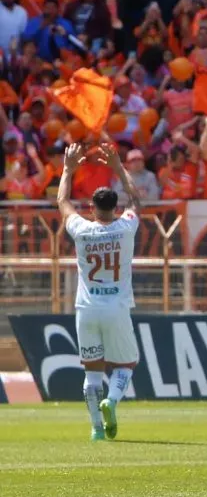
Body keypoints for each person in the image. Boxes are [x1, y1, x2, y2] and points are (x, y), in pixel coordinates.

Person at [56, 143, 141, 441]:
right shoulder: (126, 227)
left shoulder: (81, 228)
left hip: (87, 308)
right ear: (115, 209)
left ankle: (95, 428)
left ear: (92, 208)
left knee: (92, 372)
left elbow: (62, 201)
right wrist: (118, 167)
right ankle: (112, 401)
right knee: (126, 364)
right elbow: (137, 199)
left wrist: (68, 169)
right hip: (116, 308)